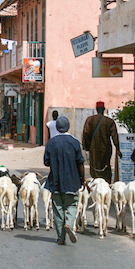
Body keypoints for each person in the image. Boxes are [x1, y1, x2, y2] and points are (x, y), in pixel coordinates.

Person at [43, 116, 84, 245]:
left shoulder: (51, 142)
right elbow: (80, 163)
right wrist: (82, 180)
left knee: (58, 209)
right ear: (68, 127)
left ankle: (61, 237)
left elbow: (46, 162)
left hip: (55, 181)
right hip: (72, 181)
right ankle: (70, 225)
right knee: (72, 205)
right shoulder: (75, 142)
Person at [82, 101, 122, 181]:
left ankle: (96, 184)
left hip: (93, 149)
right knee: (105, 168)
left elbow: (85, 134)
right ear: (104, 109)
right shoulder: (109, 121)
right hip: (106, 149)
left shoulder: (90, 120)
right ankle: (106, 185)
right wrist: (118, 149)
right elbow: (115, 137)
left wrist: (86, 147)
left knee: (94, 168)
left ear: (96, 109)